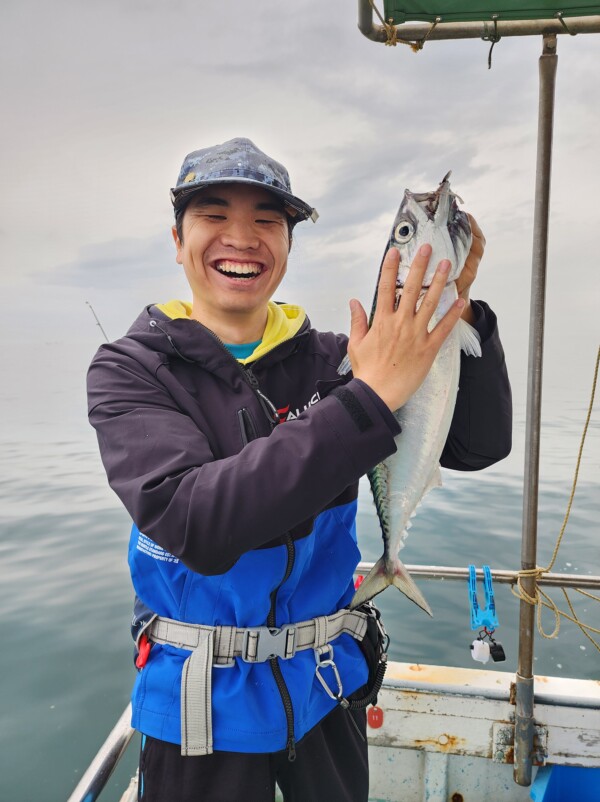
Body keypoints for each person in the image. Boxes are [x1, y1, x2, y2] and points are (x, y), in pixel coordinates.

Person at [87, 137, 511, 802]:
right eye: (214, 214)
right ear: (177, 239)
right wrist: (367, 400)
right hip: (201, 715)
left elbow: (475, 447)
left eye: (267, 220)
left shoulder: (339, 361)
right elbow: (198, 524)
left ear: (288, 242)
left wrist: (456, 309)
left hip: (325, 691)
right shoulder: (131, 372)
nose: (242, 237)